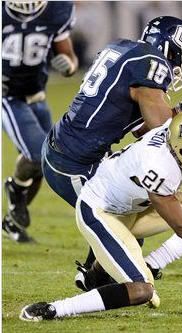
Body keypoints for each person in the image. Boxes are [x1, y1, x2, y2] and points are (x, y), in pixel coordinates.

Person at [20, 109, 182, 321]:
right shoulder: (159, 166)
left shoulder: (177, 137)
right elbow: (181, 226)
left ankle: (148, 264)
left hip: (135, 206)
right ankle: (54, 309)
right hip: (102, 213)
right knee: (142, 291)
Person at [41, 15, 182, 269]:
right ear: (171, 48)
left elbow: (143, 129)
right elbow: (168, 133)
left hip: (69, 150)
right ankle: (95, 281)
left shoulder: (124, 49)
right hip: (72, 163)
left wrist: (181, 109)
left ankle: (96, 275)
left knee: (125, 214)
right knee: (120, 223)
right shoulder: (151, 62)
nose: (180, 66)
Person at [2, 0, 79, 242]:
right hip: (7, 96)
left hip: (37, 96)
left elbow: (69, 57)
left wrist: (68, 66)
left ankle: (12, 216)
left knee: (48, 161)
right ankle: (16, 194)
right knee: (37, 155)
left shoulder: (56, 9)